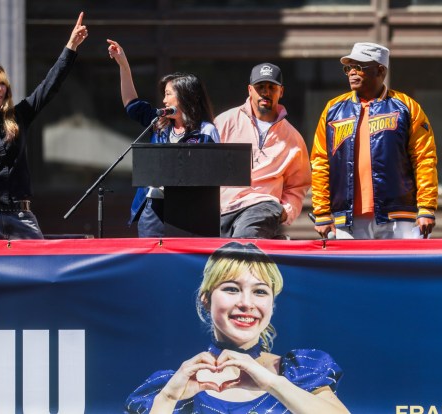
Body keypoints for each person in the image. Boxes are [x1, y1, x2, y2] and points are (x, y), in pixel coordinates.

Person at [125, 241, 348, 413]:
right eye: (231, 289)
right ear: (206, 299)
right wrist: (168, 399)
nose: (246, 303)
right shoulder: (168, 385)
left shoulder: (300, 370)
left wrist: (272, 383)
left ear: (272, 304)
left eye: (260, 292)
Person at [0, 12, 88, 240]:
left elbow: (49, 87)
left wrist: (71, 47)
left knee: (39, 268)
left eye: (2, 84)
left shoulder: (19, 116)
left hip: (20, 214)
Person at [311, 42, 438, 240]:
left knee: (397, 270)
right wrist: (321, 212)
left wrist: (427, 207)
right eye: (349, 68)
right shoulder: (333, 109)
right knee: (352, 271)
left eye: (359, 67)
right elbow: (320, 162)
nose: (352, 73)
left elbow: (424, 159)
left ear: (380, 70)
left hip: (398, 215)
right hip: (347, 217)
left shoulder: (407, 107)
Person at [107, 39, 220, 238]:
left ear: (186, 97)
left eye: (168, 94)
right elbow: (131, 104)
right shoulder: (159, 124)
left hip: (189, 210)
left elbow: (212, 173)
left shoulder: (206, 131)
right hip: (153, 209)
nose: (164, 100)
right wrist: (123, 64)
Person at [214, 63, 311, 239]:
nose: (265, 92)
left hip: (263, 205)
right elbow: (207, 166)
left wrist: (285, 211)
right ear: (250, 90)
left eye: (271, 87)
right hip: (223, 208)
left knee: (243, 246)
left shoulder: (293, 137)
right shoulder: (225, 122)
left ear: (281, 91)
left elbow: (298, 185)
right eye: (260, 87)